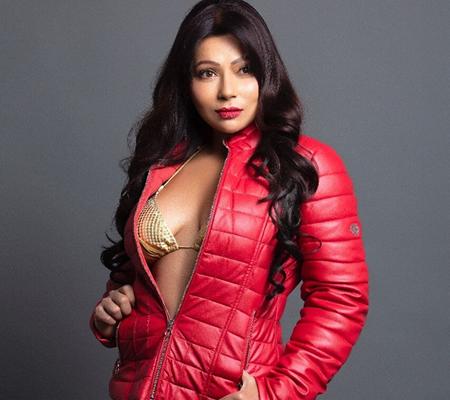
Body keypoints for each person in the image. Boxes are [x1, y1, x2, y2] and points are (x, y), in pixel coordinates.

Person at [89, 1, 369, 399]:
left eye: (244, 69)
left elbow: (341, 299)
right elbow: (132, 279)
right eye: (207, 72)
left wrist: (276, 393)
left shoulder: (305, 166)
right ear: (186, 81)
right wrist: (110, 313)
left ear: (266, 74)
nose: (227, 91)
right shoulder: (162, 163)